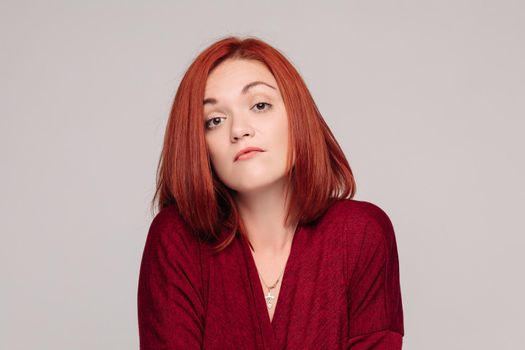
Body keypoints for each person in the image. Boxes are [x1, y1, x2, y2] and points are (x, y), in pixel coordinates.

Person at [137, 35, 404, 349]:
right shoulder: (176, 238)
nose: (239, 130)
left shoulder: (360, 234)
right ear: (200, 145)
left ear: (296, 115)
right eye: (215, 120)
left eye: (260, 105)